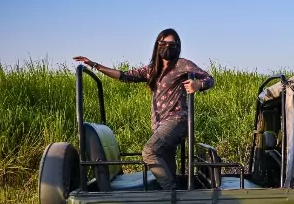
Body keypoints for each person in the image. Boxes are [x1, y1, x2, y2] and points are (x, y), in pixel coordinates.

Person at [73, 28, 214, 190]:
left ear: (177, 46)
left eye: (172, 44)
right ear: (157, 45)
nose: (167, 46)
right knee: (166, 166)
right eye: (163, 43)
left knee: (150, 151)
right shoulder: (152, 69)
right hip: (159, 125)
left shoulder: (182, 64)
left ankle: (172, 193)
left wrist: (198, 84)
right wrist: (94, 65)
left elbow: (209, 78)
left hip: (177, 121)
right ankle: (172, 198)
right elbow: (125, 75)